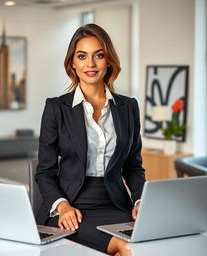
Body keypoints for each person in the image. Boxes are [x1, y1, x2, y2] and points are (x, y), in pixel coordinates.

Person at [35, 23, 146, 256]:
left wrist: (140, 201)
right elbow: (45, 171)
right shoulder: (56, 108)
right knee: (127, 248)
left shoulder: (128, 107)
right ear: (73, 63)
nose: (91, 64)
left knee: (149, 244)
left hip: (116, 205)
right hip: (72, 208)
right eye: (82, 56)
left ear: (109, 61)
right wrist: (62, 206)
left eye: (99, 55)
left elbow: (133, 167)